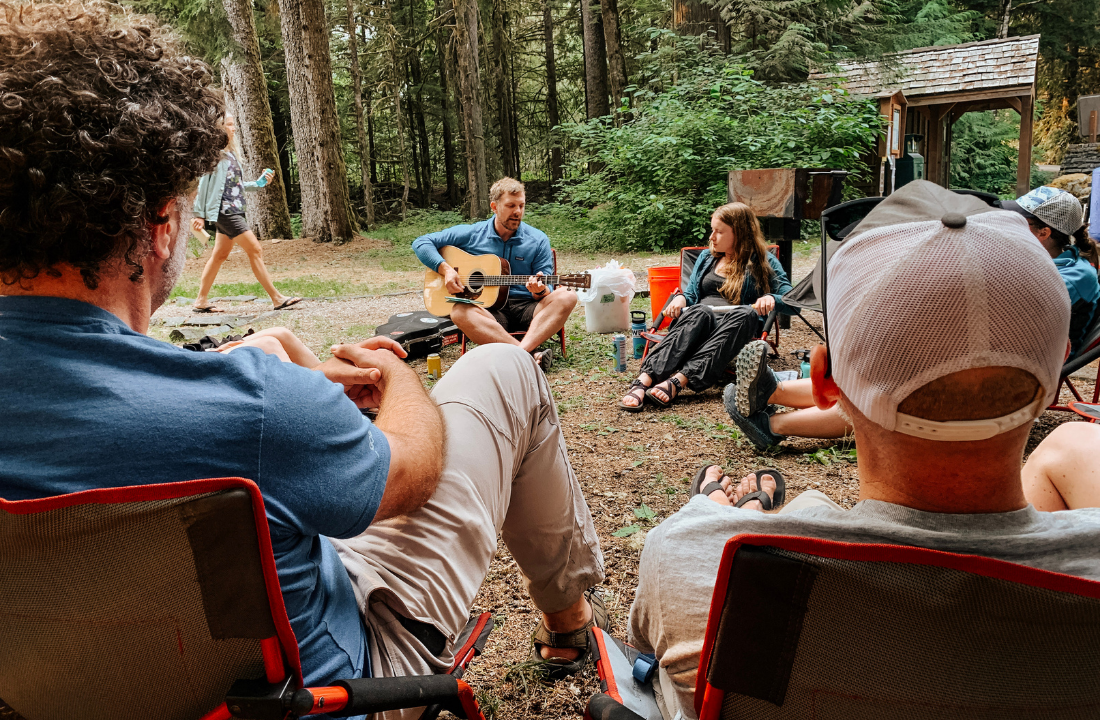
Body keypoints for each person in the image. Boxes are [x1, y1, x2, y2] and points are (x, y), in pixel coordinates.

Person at [0, 6, 607, 716]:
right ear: (160, 225)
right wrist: (399, 378)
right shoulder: (252, 407)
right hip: (324, 694)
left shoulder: (243, 395)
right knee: (504, 372)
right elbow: (409, 474)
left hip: (65, 693)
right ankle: (569, 626)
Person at [627, 180, 1100, 720]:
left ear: (826, 381)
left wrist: (717, 517)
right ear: (1056, 367)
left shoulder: (696, 555)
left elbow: (650, 662)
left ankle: (776, 442)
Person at [725, 185, 1100, 450]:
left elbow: (1011, 308)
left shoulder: (1071, 275)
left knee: (891, 385)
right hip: (991, 349)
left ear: (1043, 232)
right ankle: (771, 392)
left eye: (1017, 222)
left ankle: (773, 425)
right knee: (884, 367)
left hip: (1015, 367)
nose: (1004, 227)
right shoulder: (1038, 260)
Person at [619, 203, 793, 412]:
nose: (711, 237)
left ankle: (678, 381)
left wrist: (772, 298)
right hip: (698, 324)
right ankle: (643, 381)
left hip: (732, 329)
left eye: (719, 232)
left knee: (747, 312)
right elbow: (691, 294)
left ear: (739, 233)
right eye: (712, 230)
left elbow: (792, 301)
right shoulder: (707, 258)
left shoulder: (764, 262)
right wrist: (681, 300)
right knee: (702, 311)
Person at [412, 177, 576, 370]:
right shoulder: (472, 234)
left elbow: (546, 285)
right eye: (510, 205)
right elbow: (421, 243)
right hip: (490, 313)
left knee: (567, 296)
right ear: (494, 206)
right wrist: (446, 269)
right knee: (458, 311)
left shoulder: (538, 239)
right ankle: (529, 355)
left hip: (529, 309)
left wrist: (539, 291)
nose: (517, 212)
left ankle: (521, 355)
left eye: (521, 206)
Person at [191, 112, 302, 313]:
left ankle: (200, 300)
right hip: (226, 212)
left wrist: (259, 183)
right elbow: (203, 185)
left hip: (235, 210)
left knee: (219, 255)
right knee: (255, 250)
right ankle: (277, 298)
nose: (234, 129)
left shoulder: (231, 154)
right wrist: (198, 214)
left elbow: (236, 185)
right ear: (220, 128)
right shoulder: (213, 156)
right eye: (230, 125)